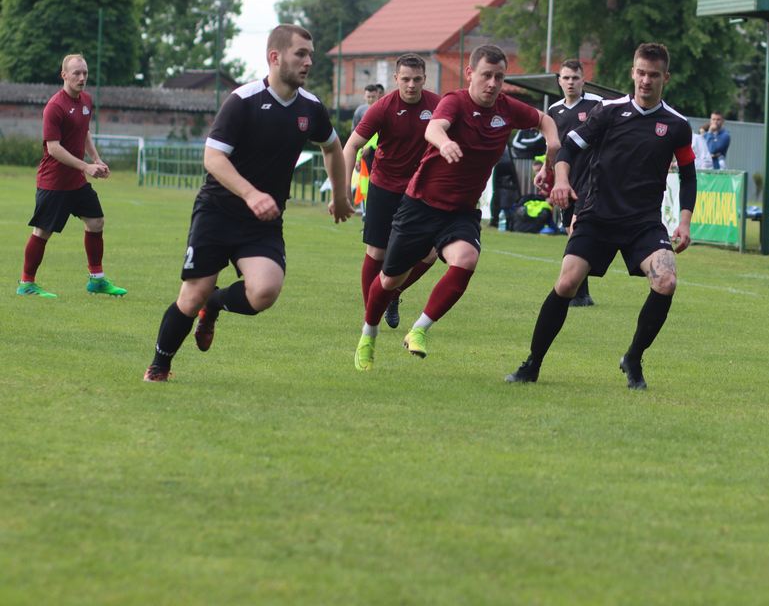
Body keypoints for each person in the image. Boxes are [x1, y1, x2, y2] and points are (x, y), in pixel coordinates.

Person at [143, 24, 353, 382]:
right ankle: (159, 366)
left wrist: (340, 195)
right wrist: (251, 193)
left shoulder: (311, 107)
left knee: (265, 292)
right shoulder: (243, 101)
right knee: (191, 296)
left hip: (262, 222)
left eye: (311, 55)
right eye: (300, 54)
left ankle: (216, 304)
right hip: (218, 212)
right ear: (275, 57)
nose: (308, 62)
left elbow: (332, 147)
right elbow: (213, 158)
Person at [353, 44, 560, 370]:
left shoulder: (507, 108)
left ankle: (418, 330)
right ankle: (369, 333)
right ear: (470, 74)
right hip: (420, 205)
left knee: (466, 259)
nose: (493, 84)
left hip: (461, 211)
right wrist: (445, 141)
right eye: (486, 76)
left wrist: (553, 150)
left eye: (499, 77)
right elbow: (434, 127)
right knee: (390, 279)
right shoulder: (454, 102)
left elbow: (545, 120)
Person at [505, 42, 695, 390]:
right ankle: (532, 363)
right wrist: (560, 180)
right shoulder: (608, 112)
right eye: (640, 73)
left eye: (654, 75)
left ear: (665, 77)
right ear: (632, 73)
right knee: (566, 283)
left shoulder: (677, 125)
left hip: (643, 223)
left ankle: (633, 358)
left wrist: (683, 221)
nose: (646, 81)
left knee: (666, 281)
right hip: (598, 215)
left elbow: (689, 175)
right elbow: (567, 149)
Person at [342, 54, 441, 332]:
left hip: (420, 191)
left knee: (431, 253)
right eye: (406, 79)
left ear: (425, 79)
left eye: (417, 79)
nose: (411, 85)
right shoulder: (383, 108)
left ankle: (392, 293)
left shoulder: (438, 105)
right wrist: (344, 191)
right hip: (384, 187)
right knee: (377, 251)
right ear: (395, 79)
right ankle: (370, 313)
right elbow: (350, 147)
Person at [17, 53, 126, 299]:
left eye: (85, 72)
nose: (82, 77)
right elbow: (53, 148)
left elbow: (84, 131)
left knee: (96, 221)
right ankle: (26, 283)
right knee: (42, 232)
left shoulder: (86, 100)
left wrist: (96, 159)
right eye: (76, 73)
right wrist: (86, 167)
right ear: (64, 75)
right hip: (54, 182)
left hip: (76, 182)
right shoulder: (55, 107)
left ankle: (96, 280)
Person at [548, 59, 604, 306]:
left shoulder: (596, 105)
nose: (570, 82)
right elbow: (554, 146)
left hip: (591, 178)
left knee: (576, 229)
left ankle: (576, 293)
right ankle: (583, 293)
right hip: (565, 180)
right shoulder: (554, 110)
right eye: (566, 78)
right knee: (572, 232)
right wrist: (547, 172)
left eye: (575, 78)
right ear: (559, 80)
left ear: (583, 80)